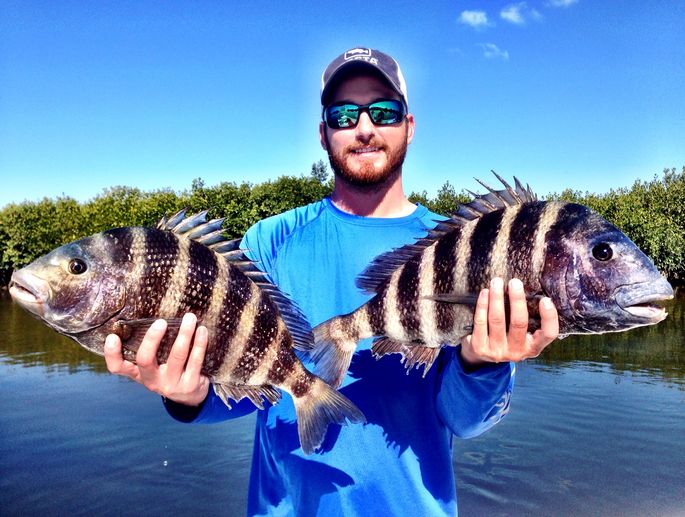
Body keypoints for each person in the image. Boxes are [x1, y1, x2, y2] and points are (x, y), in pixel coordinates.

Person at [104, 47, 559, 516]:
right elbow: (244, 395)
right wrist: (187, 393)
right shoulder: (270, 241)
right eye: (343, 115)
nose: (364, 128)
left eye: (384, 111)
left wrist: (483, 361)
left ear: (409, 126)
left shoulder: (457, 247)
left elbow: (466, 421)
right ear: (323, 134)